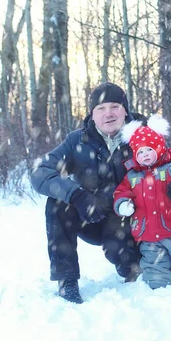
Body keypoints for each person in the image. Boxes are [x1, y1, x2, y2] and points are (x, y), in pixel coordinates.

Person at [31, 82, 143, 304]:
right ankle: (67, 281)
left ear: (125, 110)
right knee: (57, 203)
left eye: (114, 106)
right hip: (91, 214)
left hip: (131, 221)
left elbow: (168, 169)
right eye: (101, 108)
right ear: (92, 114)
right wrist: (77, 196)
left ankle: (133, 265)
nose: (108, 114)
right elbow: (40, 171)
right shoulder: (77, 141)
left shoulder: (142, 137)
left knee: (131, 267)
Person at [114, 115, 171, 289]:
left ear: (159, 149)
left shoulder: (169, 168)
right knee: (153, 265)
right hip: (148, 233)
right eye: (140, 152)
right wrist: (123, 204)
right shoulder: (132, 176)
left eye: (149, 150)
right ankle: (157, 283)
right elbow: (121, 192)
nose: (145, 155)